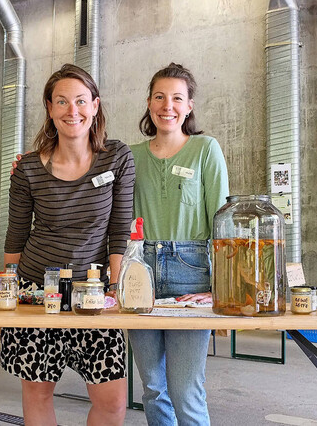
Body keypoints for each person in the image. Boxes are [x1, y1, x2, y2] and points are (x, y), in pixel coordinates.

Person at [0, 64, 135, 425]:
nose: (73, 111)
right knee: (38, 394)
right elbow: (16, 235)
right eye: (62, 102)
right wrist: (3, 296)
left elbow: (119, 229)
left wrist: (116, 289)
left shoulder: (117, 157)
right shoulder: (26, 168)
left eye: (81, 101)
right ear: (50, 109)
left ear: (95, 105)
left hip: (94, 292)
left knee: (113, 400)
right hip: (36, 290)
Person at [123, 63, 229, 426]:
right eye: (159, 97)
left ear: (189, 106)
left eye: (177, 98)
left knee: (185, 389)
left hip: (192, 273)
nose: (167, 105)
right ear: (149, 103)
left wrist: (219, 288)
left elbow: (222, 221)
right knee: (153, 387)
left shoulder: (205, 149)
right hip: (142, 272)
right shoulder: (130, 156)